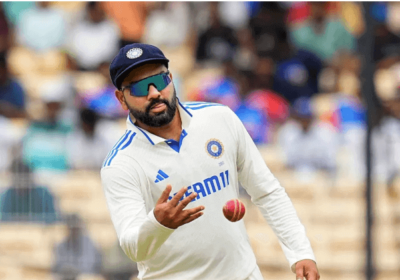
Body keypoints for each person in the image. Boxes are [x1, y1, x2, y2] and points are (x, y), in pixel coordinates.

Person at [101, 43, 320, 280]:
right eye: (140, 87)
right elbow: (133, 249)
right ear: (121, 99)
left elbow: (267, 191)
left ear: (172, 79)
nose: (154, 93)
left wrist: (300, 252)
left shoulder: (219, 118)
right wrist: (158, 223)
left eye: (160, 80)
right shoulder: (120, 163)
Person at [0, 159, 58, 223]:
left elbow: (53, 218)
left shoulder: (44, 194)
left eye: (24, 178)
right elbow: (4, 221)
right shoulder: (6, 197)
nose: (22, 183)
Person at [52, 214, 102, 279]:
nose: (74, 231)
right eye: (72, 229)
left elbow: (91, 268)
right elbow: (57, 267)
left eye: (76, 228)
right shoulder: (61, 246)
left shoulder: (90, 245)